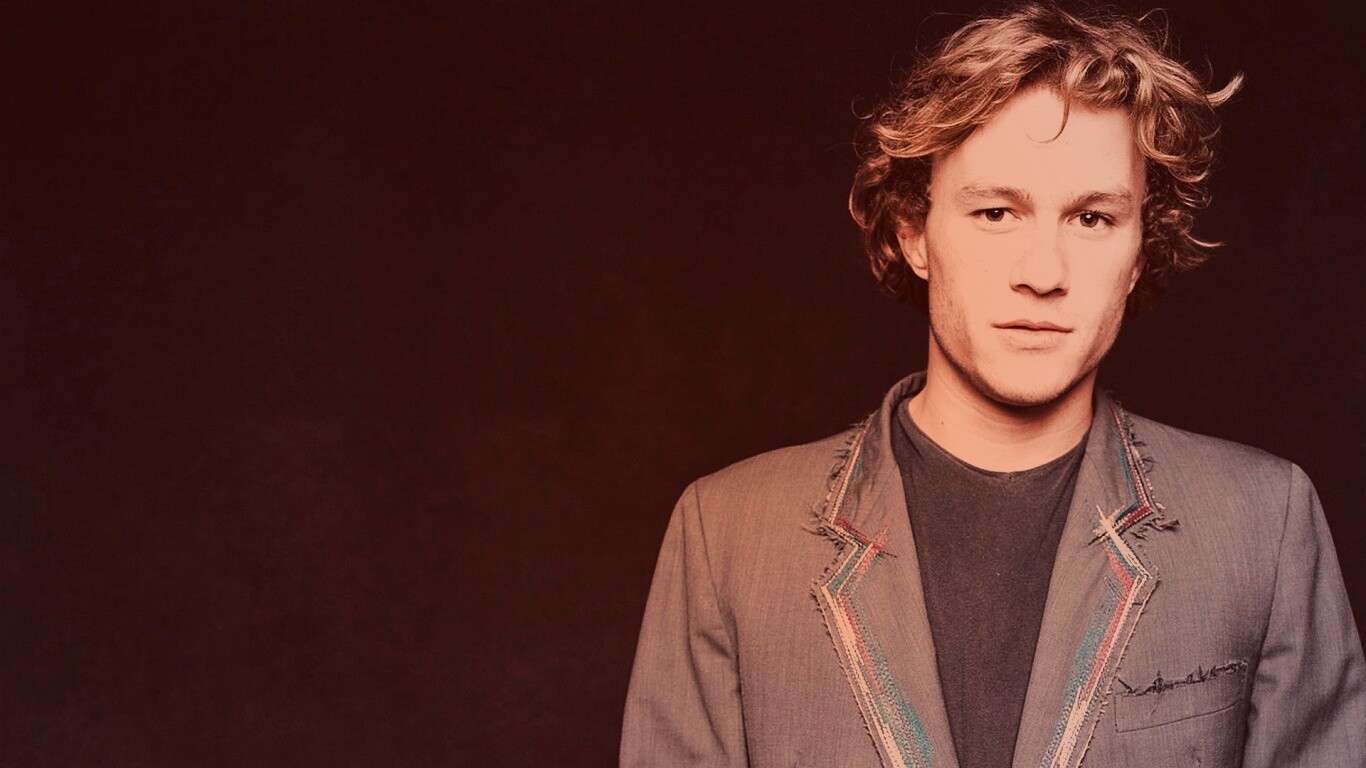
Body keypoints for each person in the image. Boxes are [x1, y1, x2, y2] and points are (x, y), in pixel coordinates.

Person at [620, 3, 1365, 767]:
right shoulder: (728, 533)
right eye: (996, 212)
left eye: (1092, 219)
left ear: (1140, 251)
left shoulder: (1263, 523)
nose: (1042, 272)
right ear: (914, 233)